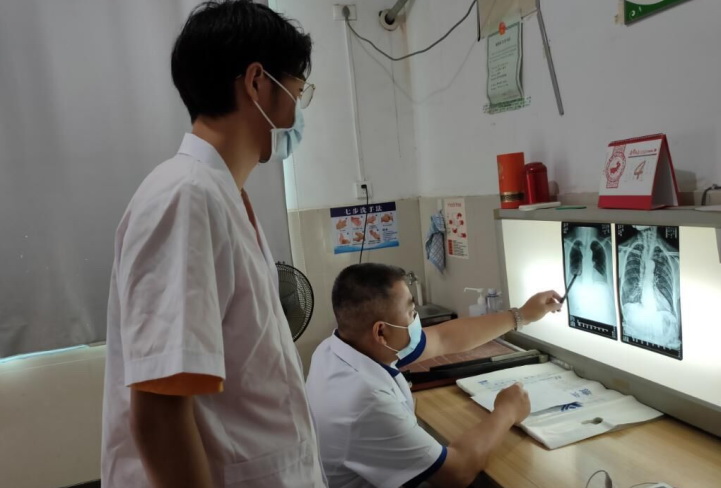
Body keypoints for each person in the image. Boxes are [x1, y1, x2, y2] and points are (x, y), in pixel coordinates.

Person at [101, 1, 325, 486]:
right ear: (257, 83)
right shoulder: (186, 197)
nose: (298, 111)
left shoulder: (222, 196)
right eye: (297, 91)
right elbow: (159, 412)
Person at [306, 263, 562, 488]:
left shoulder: (335, 349)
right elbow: (457, 472)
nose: (416, 319)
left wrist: (521, 315)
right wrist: (507, 411)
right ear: (381, 332)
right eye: (411, 312)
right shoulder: (365, 401)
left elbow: (443, 338)